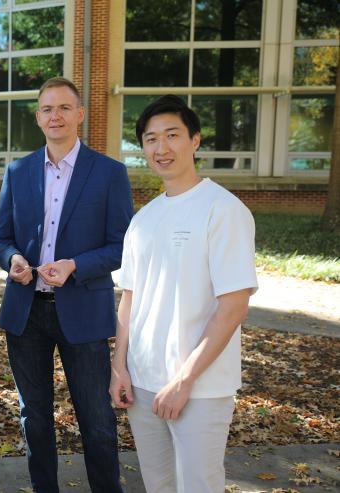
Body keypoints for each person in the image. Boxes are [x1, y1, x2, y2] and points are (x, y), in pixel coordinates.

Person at [109, 95, 258, 492]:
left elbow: (233, 306)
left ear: (195, 140)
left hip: (201, 387)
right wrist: (119, 366)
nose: (162, 147)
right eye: (151, 138)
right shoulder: (144, 219)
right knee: (158, 485)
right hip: (142, 383)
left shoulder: (223, 210)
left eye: (172, 135)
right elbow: (130, 298)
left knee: (198, 485)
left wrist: (185, 379)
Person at [0, 77, 132, 492]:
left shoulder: (109, 173)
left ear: (80, 115)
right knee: (34, 418)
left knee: (97, 421)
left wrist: (75, 265)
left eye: (64, 108)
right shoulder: (18, 171)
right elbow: (1, 238)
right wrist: (13, 259)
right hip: (26, 311)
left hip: (84, 311)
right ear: (38, 117)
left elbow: (122, 246)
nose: (56, 115)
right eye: (47, 109)